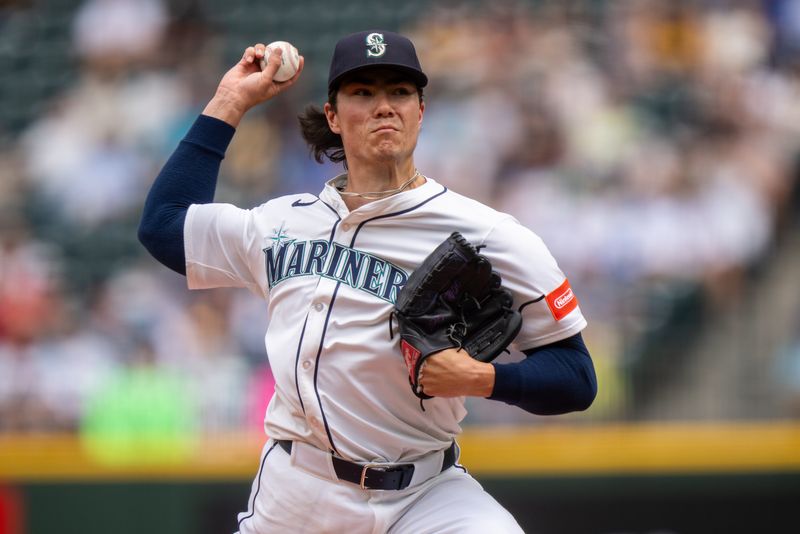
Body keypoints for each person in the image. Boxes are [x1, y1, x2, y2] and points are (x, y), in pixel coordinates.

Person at [139, 29, 597, 534]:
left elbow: (576, 376)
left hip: (424, 495)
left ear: (420, 111)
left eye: (399, 92)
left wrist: (482, 378)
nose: (384, 106)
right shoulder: (279, 223)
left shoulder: (487, 234)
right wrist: (230, 100)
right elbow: (163, 226)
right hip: (295, 497)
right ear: (333, 116)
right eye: (362, 92)